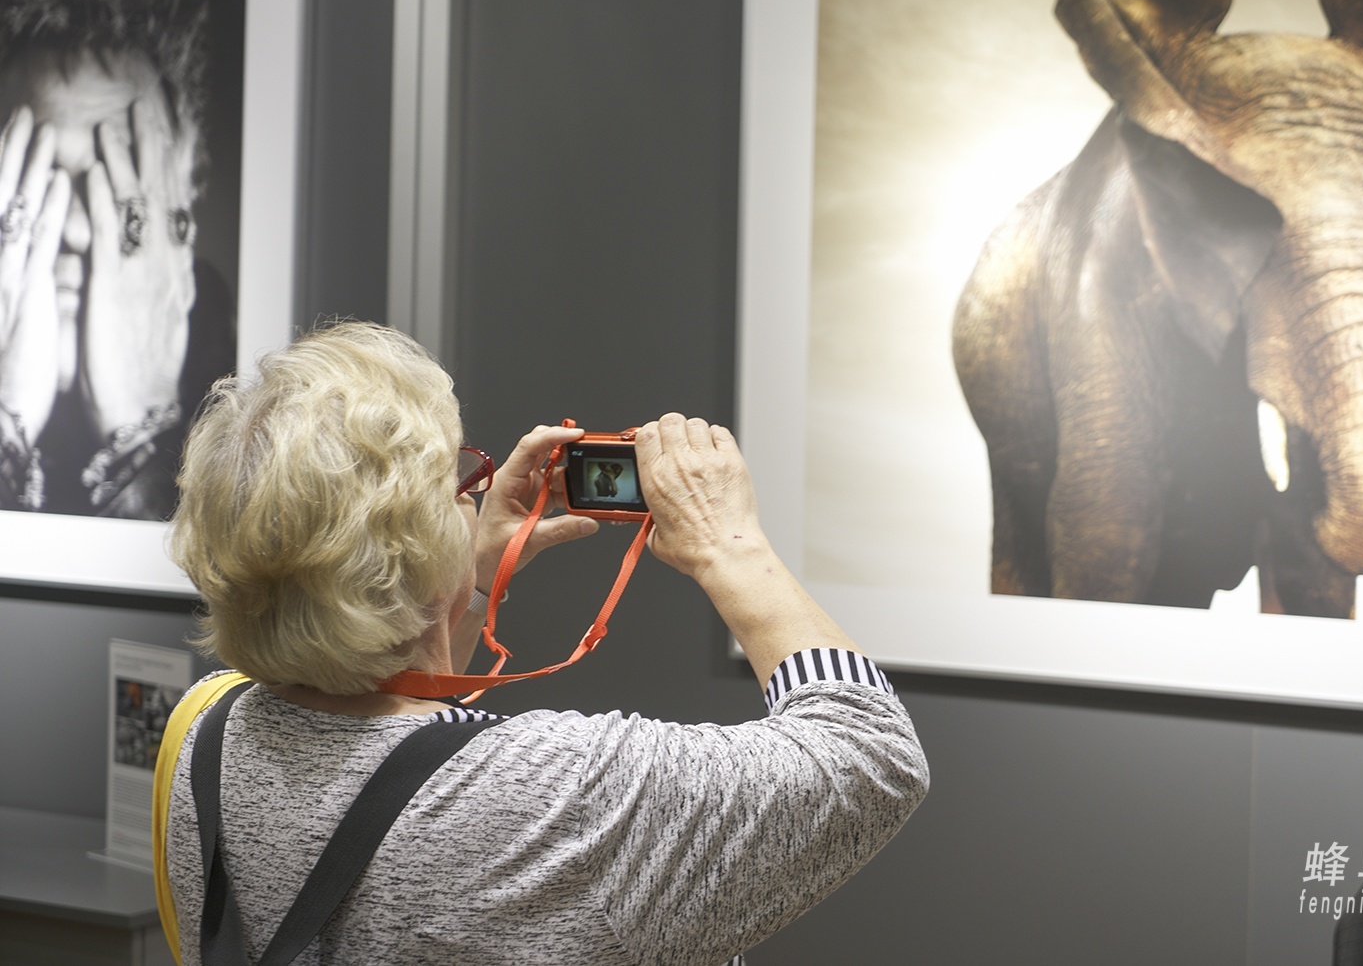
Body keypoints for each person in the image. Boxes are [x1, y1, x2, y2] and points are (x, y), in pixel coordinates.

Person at [161, 321, 929, 965]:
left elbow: (388, 734)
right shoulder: (554, 793)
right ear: (419, 547)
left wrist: (466, 577)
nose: (474, 494)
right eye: (456, 483)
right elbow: (870, 752)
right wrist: (729, 544)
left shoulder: (204, 735)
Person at [0, 0, 235, 518]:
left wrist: (141, 423)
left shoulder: (247, 382)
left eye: (113, 190)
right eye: (41, 181)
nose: (79, 231)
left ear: (180, 204)